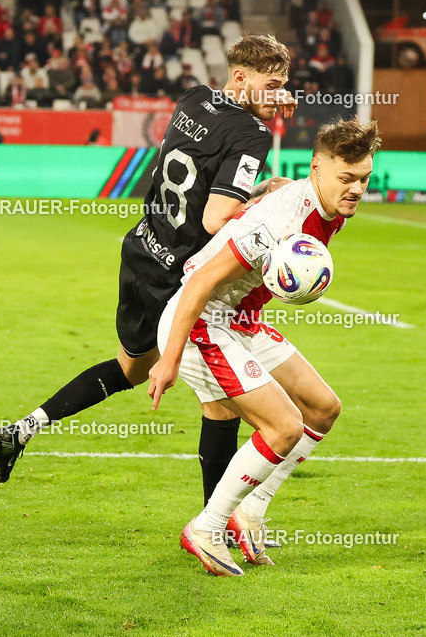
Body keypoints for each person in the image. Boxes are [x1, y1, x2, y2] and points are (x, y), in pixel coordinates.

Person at [0, 35, 298, 492]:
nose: (280, 94)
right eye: (272, 85)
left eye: (283, 86)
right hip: (180, 278)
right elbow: (215, 219)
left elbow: (201, 178)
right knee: (221, 404)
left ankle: (22, 429)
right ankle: (212, 523)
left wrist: (258, 174)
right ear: (239, 77)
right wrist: (267, 204)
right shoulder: (252, 135)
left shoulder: (193, 98)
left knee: (129, 369)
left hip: (142, 252)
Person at [147, 118, 381, 575]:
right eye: (347, 178)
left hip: (241, 320)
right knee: (283, 427)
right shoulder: (280, 222)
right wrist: (168, 361)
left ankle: (250, 510)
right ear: (317, 168)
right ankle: (206, 528)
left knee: (322, 408)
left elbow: (287, 193)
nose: (356, 189)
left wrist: (272, 189)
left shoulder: (326, 204)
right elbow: (200, 283)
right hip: (201, 322)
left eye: (364, 178)